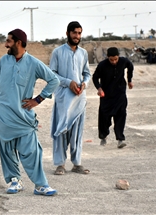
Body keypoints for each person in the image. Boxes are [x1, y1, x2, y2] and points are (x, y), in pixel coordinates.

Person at [0, 28, 60, 196]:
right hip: (3, 114)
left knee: (31, 150)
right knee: (7, 150)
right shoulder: (3, 61)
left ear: (19, 43)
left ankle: (40, 185)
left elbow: (53, 80)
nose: (6, 44)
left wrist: (38, 100)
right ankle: (14, 180)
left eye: (9, 41)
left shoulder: (33, 63)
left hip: (23, 116)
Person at [49, 21, 91, 175]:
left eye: (79, 33)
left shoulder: (83, 53)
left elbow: (87, 73)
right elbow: (51, 74)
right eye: (74, 33)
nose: (77, 36)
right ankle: (60, 164)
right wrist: (68, 83)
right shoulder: (57, 52)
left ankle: (77, 163)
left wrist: (84, 84)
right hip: (63, 99)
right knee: (61, 131)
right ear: (67, 33)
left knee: (77, 132)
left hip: (79, 98)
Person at [92, 47, 134, 149]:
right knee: (104, 117)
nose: (114, 62)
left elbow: (130, 66)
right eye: (111, 60)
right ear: (108, 57)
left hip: (120, 94)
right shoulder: (102, 65)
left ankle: (120, 139)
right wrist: (99, 88)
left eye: (116, 59)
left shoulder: (123, 61)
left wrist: (129, 80)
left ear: (118, 57)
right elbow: (95, 77)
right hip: (106, 95)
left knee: (121, 115)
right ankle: (103, 137)